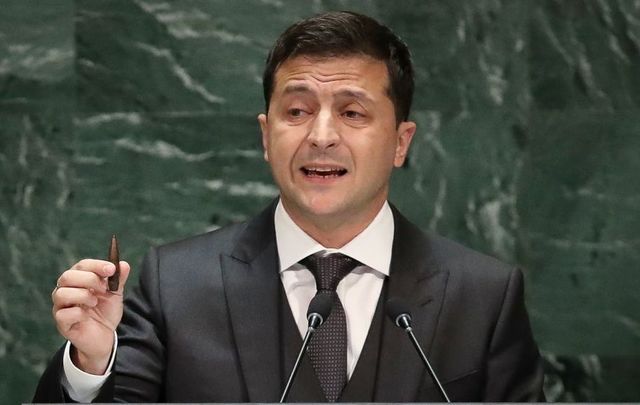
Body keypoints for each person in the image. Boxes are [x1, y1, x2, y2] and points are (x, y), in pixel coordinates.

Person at [34, 11, 544, 403]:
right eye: (296, 111)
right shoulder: (176, 284)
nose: (321, 136)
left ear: (400, 142)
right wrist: (90, 366)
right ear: (265, 134)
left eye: (351, 112)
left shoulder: (483, 296)